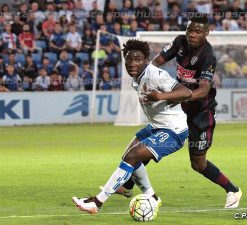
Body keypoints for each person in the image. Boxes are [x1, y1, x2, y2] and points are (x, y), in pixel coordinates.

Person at [118, 15, 242, 209]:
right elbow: (155, 62)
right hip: (178, 109)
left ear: (206, 33)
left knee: (198, 164)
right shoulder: (179, 41)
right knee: (148, 145)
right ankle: (127, 185)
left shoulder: (207, 56)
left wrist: (167, 96)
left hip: (201, 113)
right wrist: (147, 77)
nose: (192, 34)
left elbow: (203, 91)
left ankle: (232, 190)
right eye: (190, 30)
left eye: (197, 31)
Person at [72, 39, 193, 214]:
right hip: (157, 126)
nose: (132, 64)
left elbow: (186, 93)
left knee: (132, 155)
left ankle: (97, 202)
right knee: (128, 156)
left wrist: (160, 96)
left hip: (174, 130)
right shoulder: (136, 79)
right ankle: (151, 196)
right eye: (129, 59)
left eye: (138, 59)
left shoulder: (155, 75)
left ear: (146, 60)